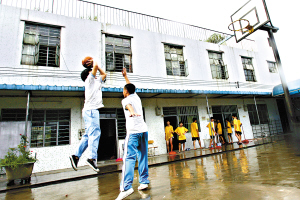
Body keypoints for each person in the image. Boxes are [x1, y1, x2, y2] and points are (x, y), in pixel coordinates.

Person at [116, 68, 150, 200]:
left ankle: (126, 187)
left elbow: (128, 105)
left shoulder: (125, 100)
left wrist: (131, 111)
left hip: (134, 132)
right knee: (142, 156)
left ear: (125, 92)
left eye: (123, 90)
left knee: (129, 158)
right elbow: (131, 87)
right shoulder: (136, 96)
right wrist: (125, 76)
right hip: (144, 131)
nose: (123, 91)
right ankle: (144, 181)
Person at [69, 57, 106, 172]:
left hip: (90, 111)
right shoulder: (89, 81)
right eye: (92, 73)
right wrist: (92, 62)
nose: (95, 74)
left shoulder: (96, 81)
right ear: (88, 75)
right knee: (95, 133)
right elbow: (94, 68)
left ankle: (75, 156)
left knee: (88, 135)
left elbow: (104, 74)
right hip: (91, 111)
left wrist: (95, 66)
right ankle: (92, 158)